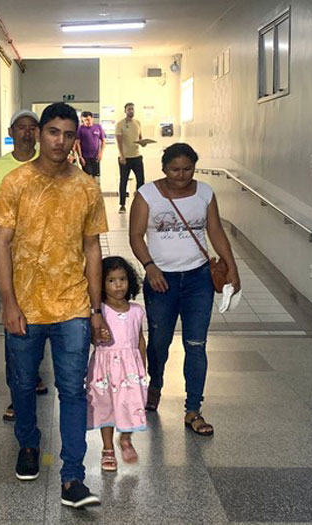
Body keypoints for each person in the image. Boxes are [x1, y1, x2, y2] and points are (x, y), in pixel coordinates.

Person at [0, 102, 109, 508]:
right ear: (40, 135)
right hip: (24, 304)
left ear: (77, 138)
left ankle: (73, 477)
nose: (61, 141)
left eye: (69, 134)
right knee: (23, 384)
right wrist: (8, 302)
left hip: (72, 305)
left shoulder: (87, 187)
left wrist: (96, 310)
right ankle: (28, 444)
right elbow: (1, 242)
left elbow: (93, 248)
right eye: (53, 132)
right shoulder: (16, 182)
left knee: (72, 390)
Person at [129, 142, 240, 436]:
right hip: (160, 280)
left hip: (198, 279)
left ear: (195, 167)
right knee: (158, 343)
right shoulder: (147, 195)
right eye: (174, 169)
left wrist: (231, 266)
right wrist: (149, 266)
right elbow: (136, 235)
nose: (181, 175)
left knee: (196, 344)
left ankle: (193, 409)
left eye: (187, 169)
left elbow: (214, 230)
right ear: (164, 168)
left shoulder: (204, 192)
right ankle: (156, 382)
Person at [0, 109, 47, 422]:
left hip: (46, 261)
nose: (27, 133)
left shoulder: (51, 166)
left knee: (41, 321)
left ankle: (33, 376)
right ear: (11, 131)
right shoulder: (0, 168)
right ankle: (16, 393)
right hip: (11, 259)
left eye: (33, 128)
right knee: (14, 325)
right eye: (22, 128)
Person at [86, 256, 148, 472]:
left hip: (130, 369)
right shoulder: (99, 311)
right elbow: (93, 341)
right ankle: (107, 449)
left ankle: (126, 438)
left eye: (122, 279)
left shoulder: (137, 311)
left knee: (131, 403)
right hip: (105, 369)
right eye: (111, 280)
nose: (118, 285)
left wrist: (142, 364)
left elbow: (140, 338)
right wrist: (98, 335)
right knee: (107, 407)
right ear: (100, 284)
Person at [115, 103, 146, 213]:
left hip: (137, 156)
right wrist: (122, 156)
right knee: (124, 181)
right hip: (125, 158)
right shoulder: (120, 124)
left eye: (132, 109)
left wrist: (143, 143)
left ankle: (140, 203)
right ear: (125, 111)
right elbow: (119, 141)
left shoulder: (137, 123)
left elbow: (140, 138)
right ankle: (122, 205)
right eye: (129, 109)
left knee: (141, 180)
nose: (131, 111)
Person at [75, 111, 106, 180]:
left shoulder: (98, 127)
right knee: (88, 176)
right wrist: (80, 157)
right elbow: (77, 143)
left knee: (95, 176)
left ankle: (94, 190)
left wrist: (101, 153)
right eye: (85, 120)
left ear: (92, 119)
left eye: (88, 119)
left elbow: (103, 141)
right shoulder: (80, 129)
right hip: (85, 156)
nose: (87, 122)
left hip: (95, 156)